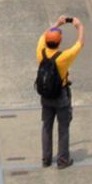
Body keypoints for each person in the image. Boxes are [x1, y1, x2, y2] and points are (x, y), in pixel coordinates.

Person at [34, 16, 83, 169]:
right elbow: (79, 43)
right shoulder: (63, 58)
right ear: (59, 42)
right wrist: (79, 26)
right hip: (61, 96)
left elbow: (44, 34)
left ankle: (46, 159)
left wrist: (57, 23)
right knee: (63, 128)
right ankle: (63, 160)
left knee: (46, 126)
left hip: (45, 96)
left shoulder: (40, 52)